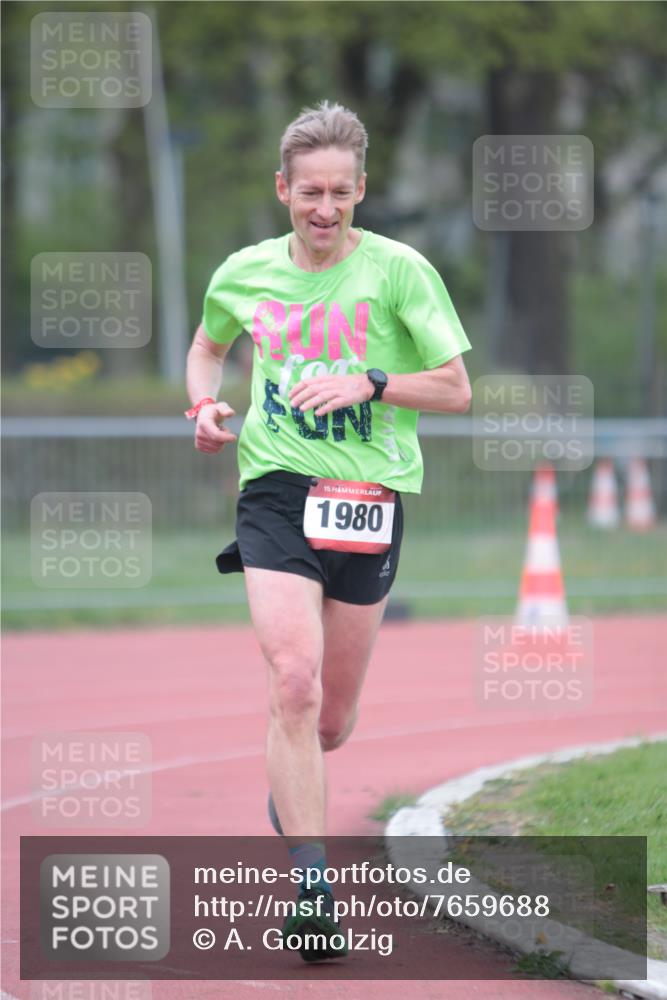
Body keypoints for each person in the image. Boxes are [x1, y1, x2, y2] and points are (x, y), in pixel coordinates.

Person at [186, 100, 471, 961]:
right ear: (282, 189)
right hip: (273, 490)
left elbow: (455, 389)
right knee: (294, 681)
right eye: (308, 191)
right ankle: (313, 885)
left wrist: (370, 382)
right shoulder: (244, 271)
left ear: (359, 191)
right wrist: (203, 403)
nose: (323, 208)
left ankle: (296, 785)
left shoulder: (400, 272)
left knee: (331, 723)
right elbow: (206, 346)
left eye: (339, 193)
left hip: (366, 497)